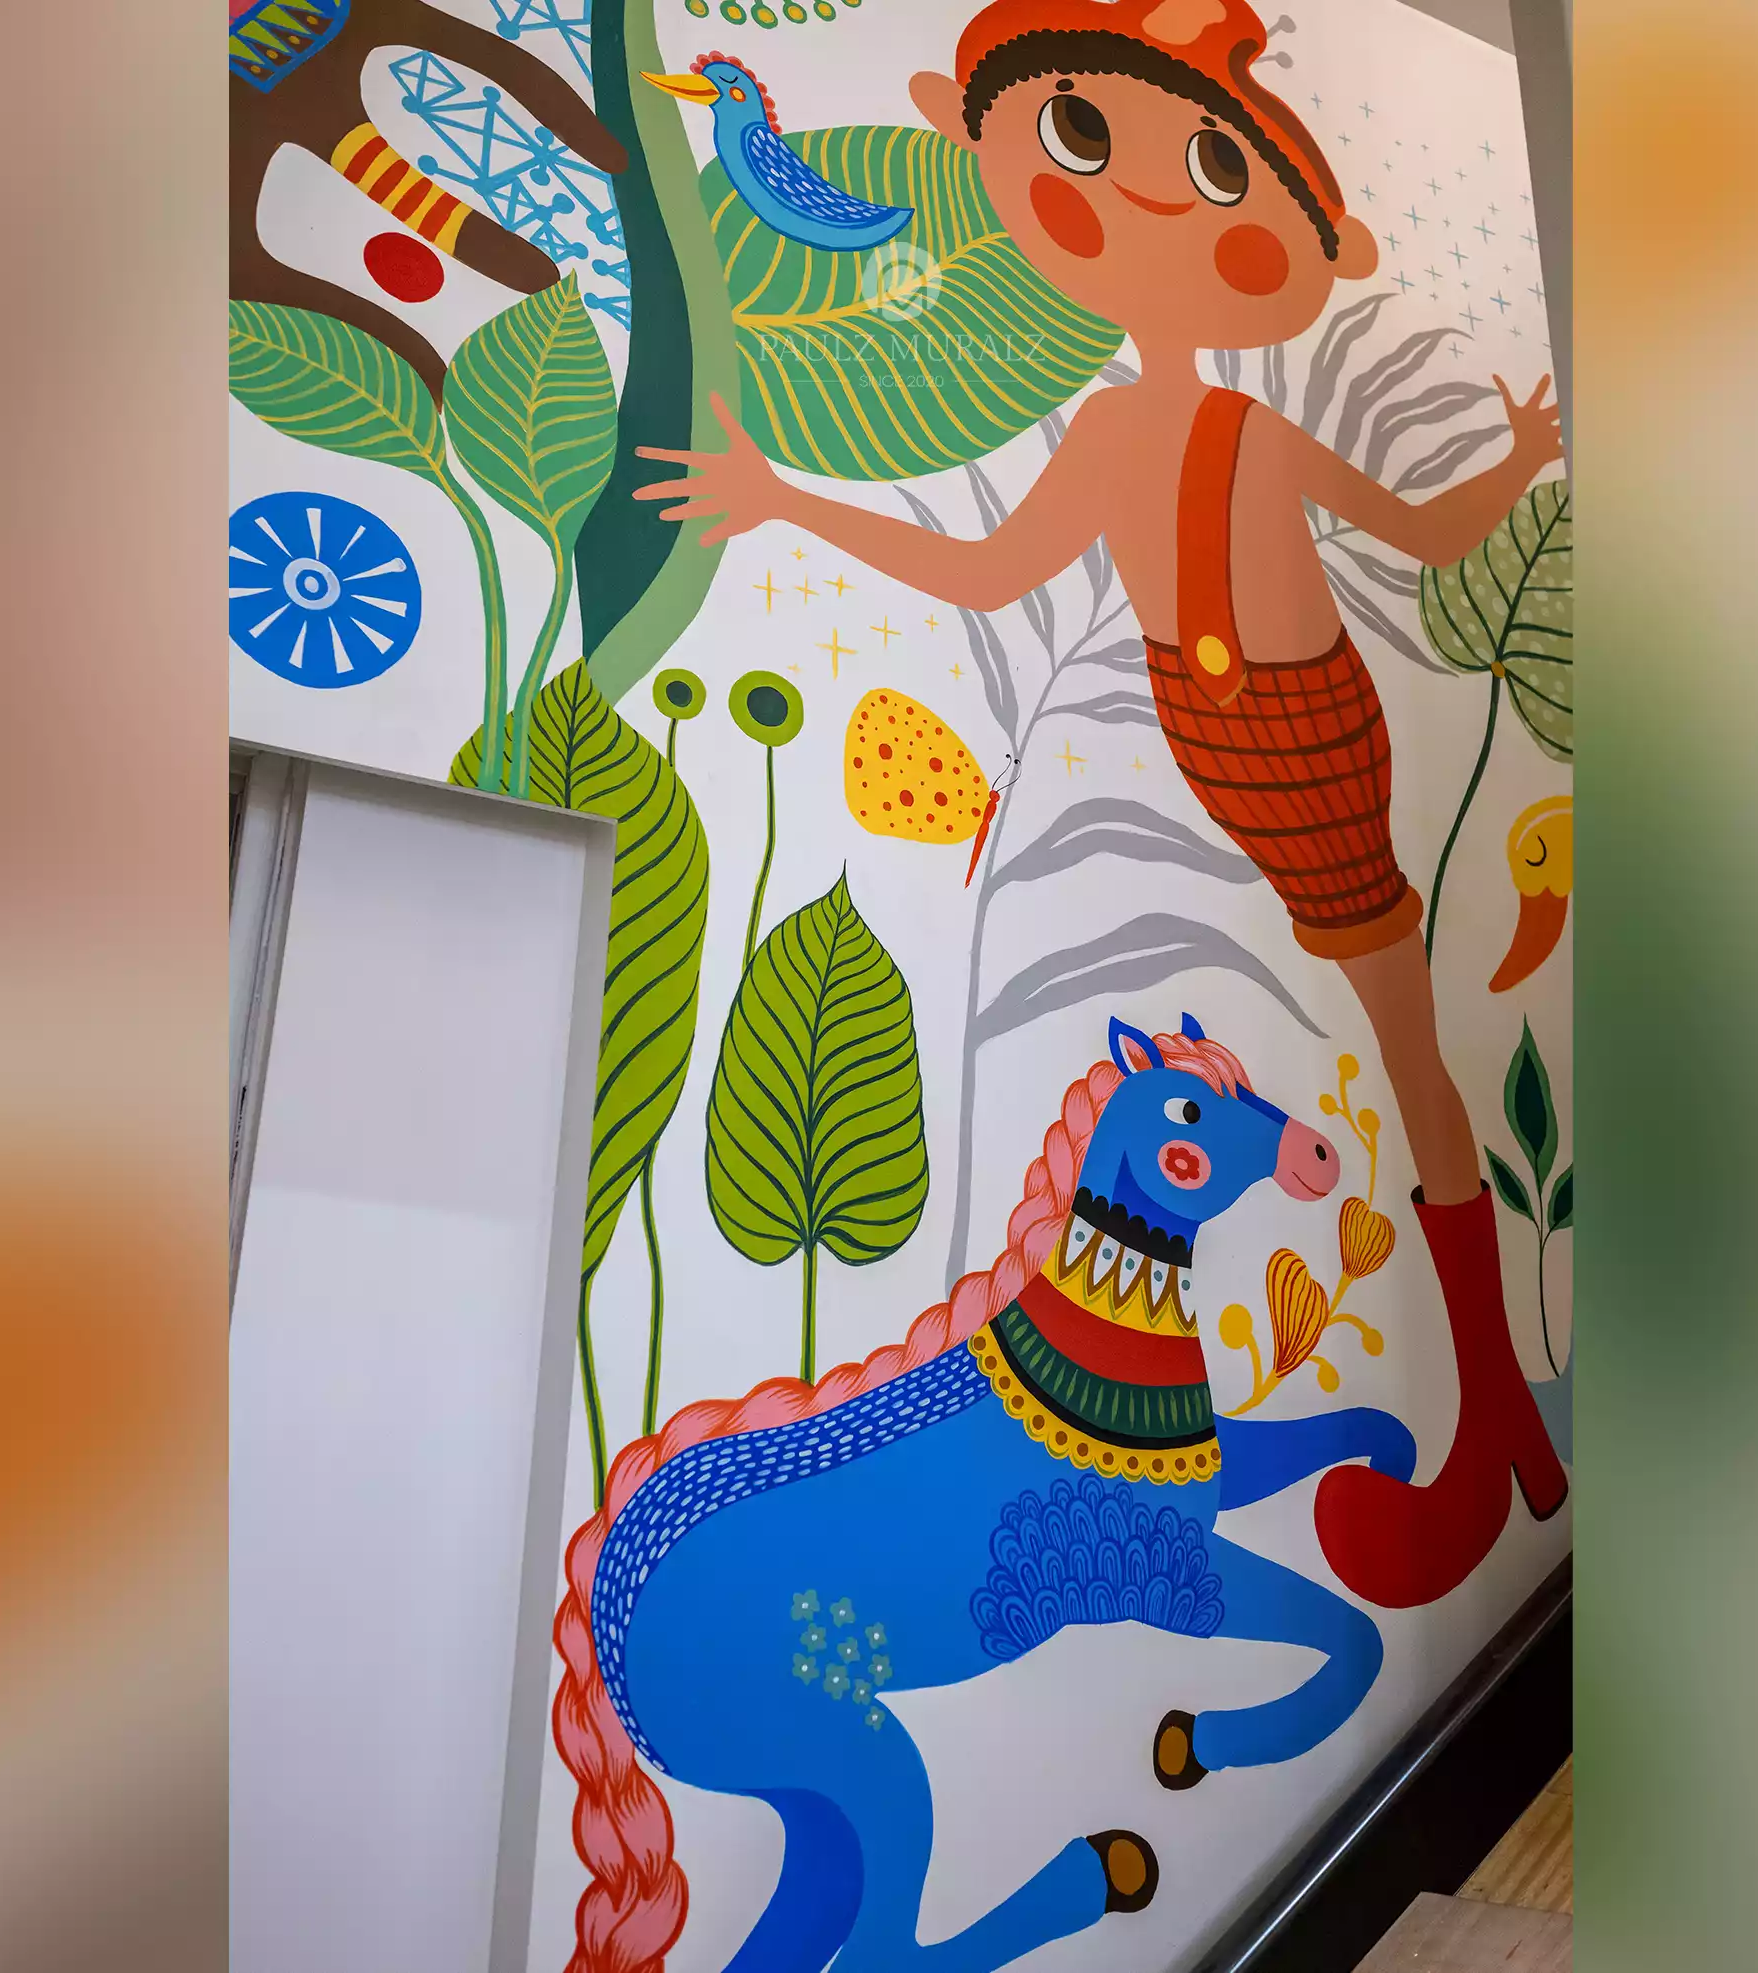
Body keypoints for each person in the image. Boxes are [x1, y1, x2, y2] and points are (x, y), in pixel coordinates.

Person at [634, 0, 1568, 1595]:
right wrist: (788, 497)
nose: (1142, 194)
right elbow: (986, 571)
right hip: (1234, 740)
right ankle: (1501, 1416)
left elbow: (1419, 538)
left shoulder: (1247, 427)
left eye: (1207, 169)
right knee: (1406, 1038)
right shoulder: (1123, 428)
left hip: (1313, 735)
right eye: (1081, 136)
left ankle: (1496, 1413)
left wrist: (1524, 454)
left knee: (1409, 1035)